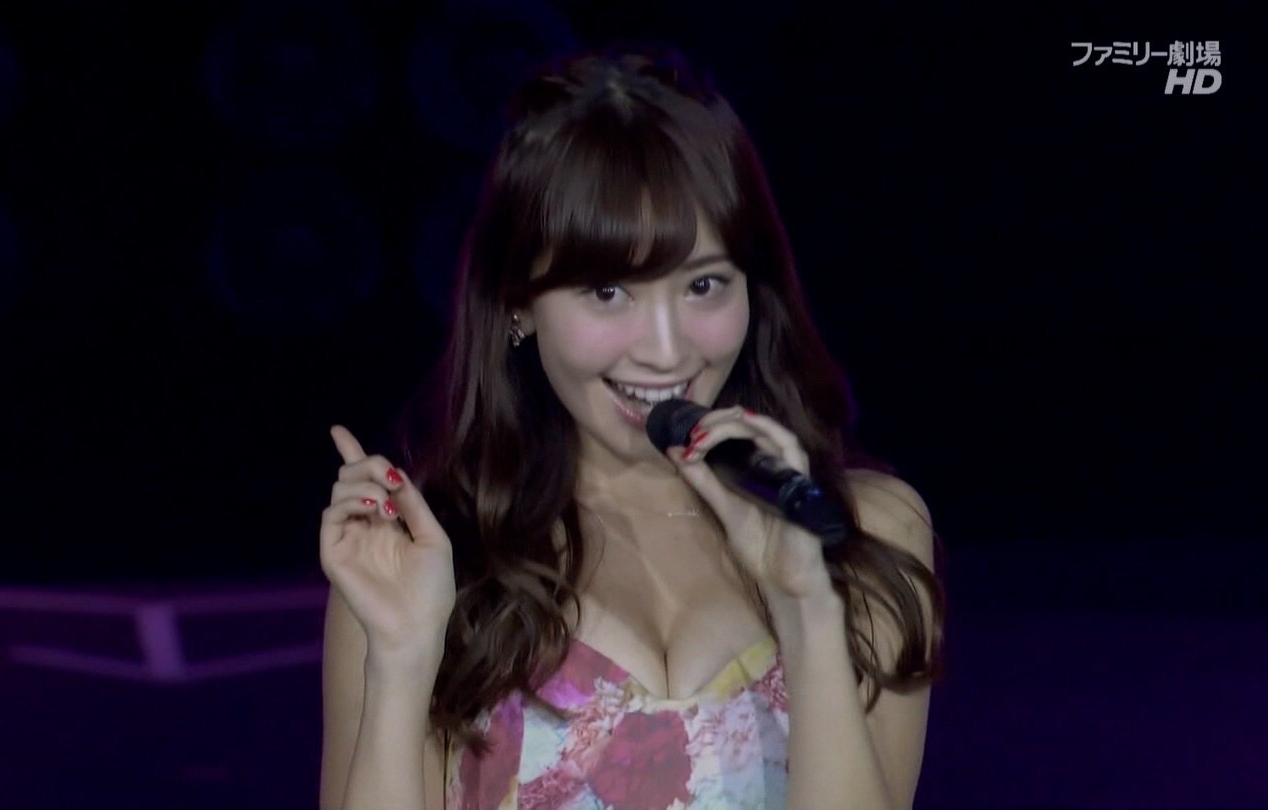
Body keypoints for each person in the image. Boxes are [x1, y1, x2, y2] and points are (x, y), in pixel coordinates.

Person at [318, 45, 945, 810]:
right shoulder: (432, 559)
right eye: (608, 292)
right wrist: (400, 660)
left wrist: (807, 610)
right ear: (517, 303)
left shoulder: (865, 532)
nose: (667, 350)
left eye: (703, 284)